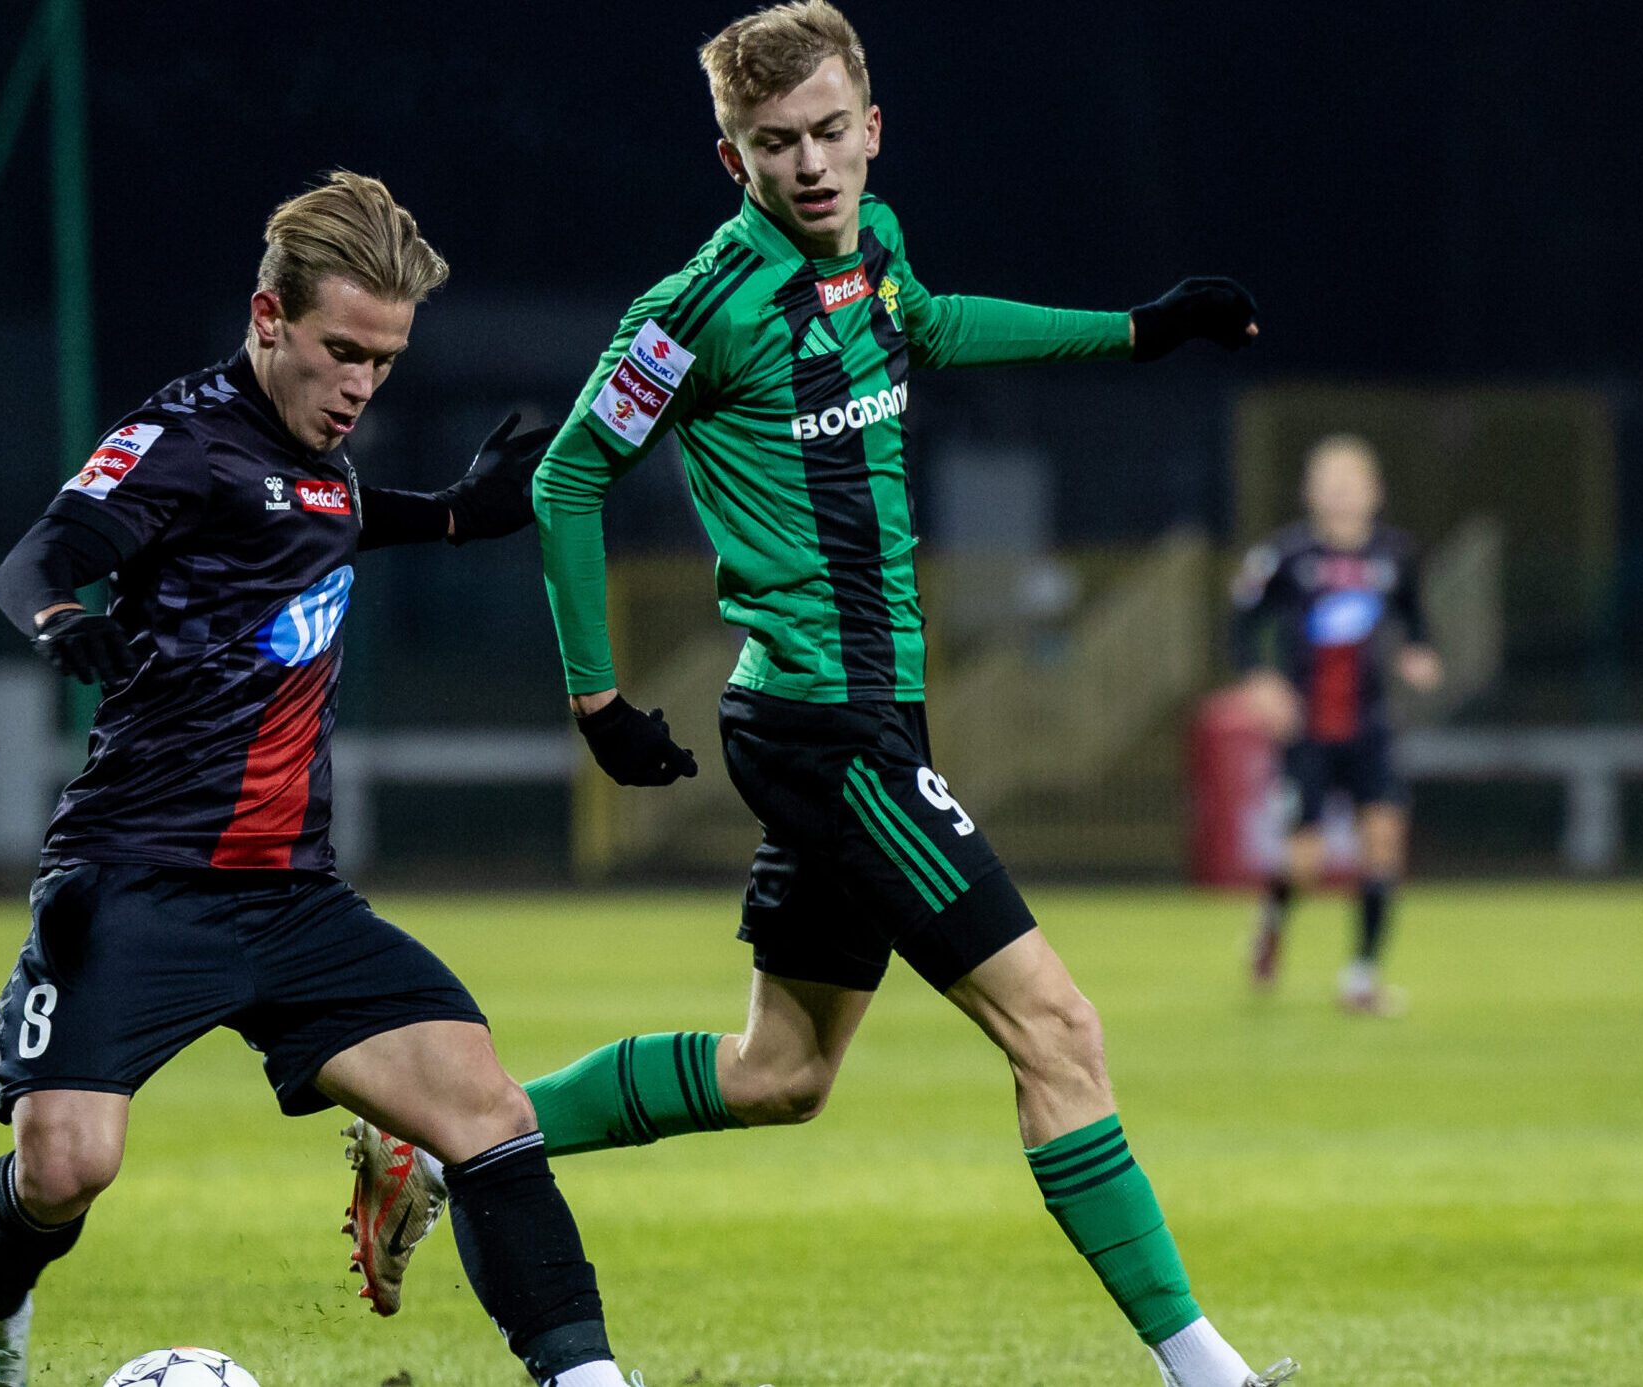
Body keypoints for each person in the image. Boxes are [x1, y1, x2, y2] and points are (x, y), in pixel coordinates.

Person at [341, 8, 1293, 1386]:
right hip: (820, 726)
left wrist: (1142, 329)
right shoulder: (695, 310)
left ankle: (441, 1141)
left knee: (777, 1072)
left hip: (871, 715)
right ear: (730, 157)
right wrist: (597, 698)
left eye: (829, 132)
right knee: (1058, 1029)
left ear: (871, 130)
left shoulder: (876, 249)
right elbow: (567, 476)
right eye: (774, 142)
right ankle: (1207, 1371)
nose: (809, 164)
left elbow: (932, 324)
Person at [0, 172, 638, 1387]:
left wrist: (458, 515)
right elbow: (39, 556)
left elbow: (324, 512)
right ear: (268, 318)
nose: (363, 385)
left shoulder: (315, 461)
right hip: (137, 879)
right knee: (64, 1168)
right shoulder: (181, 441)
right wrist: (62, 617)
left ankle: (590, 1382)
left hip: (292, 896)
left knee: (489, 1112)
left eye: (385, 360)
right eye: (342, 352)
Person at [1228, 433, 1440, 1013]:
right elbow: (1242, 624)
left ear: (1375, 492)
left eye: (1353, 483)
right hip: (1307, 728)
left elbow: (1416, 618)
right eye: (1331, 484)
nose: (1343, 494)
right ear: (1311, 493)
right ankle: (1273, 919)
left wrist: (1419, 652)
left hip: (1371, 724)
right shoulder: (1286, 556)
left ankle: (1362, 977)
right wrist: (1260, 679)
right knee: (1306, 861)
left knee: (1384, 840)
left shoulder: (1395, 555)